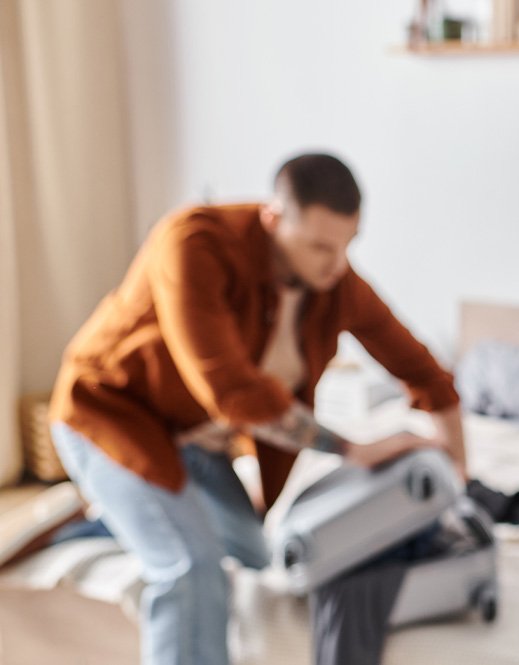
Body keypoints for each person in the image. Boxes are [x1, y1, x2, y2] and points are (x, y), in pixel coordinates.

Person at [48, 152, 468, 665]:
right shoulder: (192, 244)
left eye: (347, 246)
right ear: (273, 220)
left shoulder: (334, 283)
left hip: (197, 444)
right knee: (190, 564)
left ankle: (114, 515)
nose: (336, 265)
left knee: (256, 555)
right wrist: (351, 448)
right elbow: (230, 392)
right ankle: (123, 502)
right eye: (319, 247)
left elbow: (424, 373)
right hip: (110, 419)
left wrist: (458, 470)